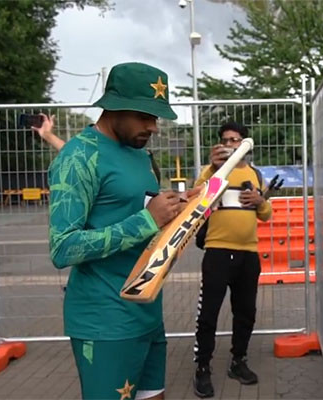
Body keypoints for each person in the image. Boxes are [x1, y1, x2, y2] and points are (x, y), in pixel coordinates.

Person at [48, 62, 192, 400]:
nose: (153, 126)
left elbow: (143, 213)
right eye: (145, 115)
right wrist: (147, 220)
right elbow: (62, 247)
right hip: (105, 321)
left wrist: (180, 209)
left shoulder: (140, 156)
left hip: (146, 311)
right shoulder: (78, 157)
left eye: (156, 117)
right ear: (114, 106)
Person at [192, 121, 272, 398]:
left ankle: (239, 360)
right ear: (219, 144)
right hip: (217, 251)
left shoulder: (255, 173)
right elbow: (197, 202)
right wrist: (214, 171)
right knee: (209, 314)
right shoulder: (211, 171)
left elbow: (266, 214)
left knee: (246, 311)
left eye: (236, 140)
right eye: (226, 140)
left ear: (244, 143)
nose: (231, 145)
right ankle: (202, 367)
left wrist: (260, 202)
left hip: (249, 253)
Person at [32, 114, 162, 183]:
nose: (153, 128)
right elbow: (80, 155)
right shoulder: (83, 156)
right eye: (143, 118)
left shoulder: (138, 150)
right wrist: (47, 135)